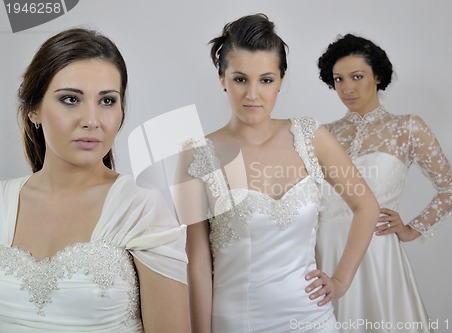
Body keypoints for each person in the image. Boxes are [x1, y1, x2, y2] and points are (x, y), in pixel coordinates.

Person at [174, 14, 379, 333]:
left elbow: (367, 206)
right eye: (241, 79)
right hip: (238, 323)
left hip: (315, 321)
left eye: (265, 80)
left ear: (281, 80)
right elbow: (197, 263)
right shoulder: (195, 154)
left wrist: (340, 280)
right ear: (222, 78)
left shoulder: (312, 137)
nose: (252, 94)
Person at [0, 28, 190, 332]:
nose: (91, 120)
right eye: (71, 99)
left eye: (107, 101)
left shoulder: (140, 207)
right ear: (34, 110)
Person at [316, 34, 452, 332]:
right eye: (339, 79)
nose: (347, 88)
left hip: (377, 254)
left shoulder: (406, 127)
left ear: (378, 76)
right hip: (325, 252)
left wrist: (411, 229)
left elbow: (451, 188)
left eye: (357, 76)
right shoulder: (324, 133)